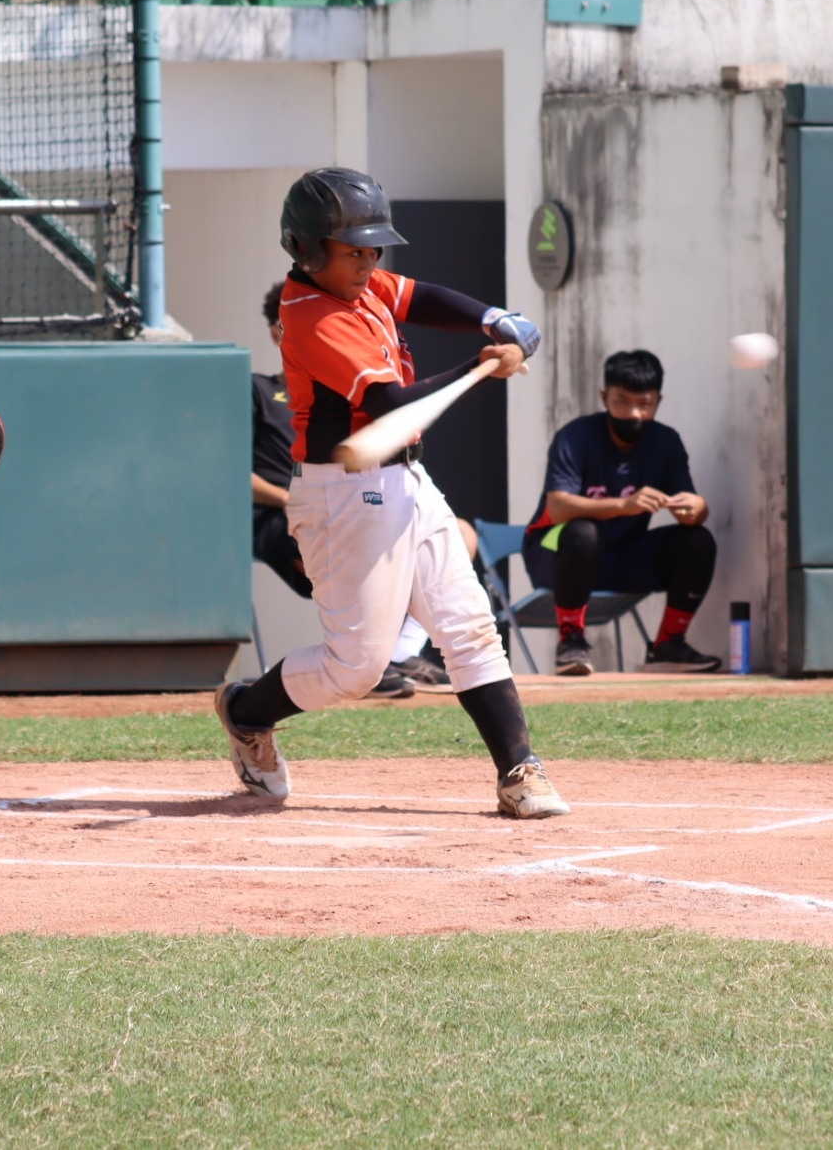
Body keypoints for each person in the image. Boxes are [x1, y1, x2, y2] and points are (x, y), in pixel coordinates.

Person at [215, 168, 568, 820]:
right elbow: (389, 402)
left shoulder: (359, 279)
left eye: (374, 248)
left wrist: (492, 318)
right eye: (354, 250)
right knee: (357, 666)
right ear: (307, 249)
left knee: (468, 626)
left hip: (407, 478)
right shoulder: (312, 315)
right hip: (342, 496)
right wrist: (484, 363)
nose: (368, 262)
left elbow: (420, 296)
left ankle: (519, 770)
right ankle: (244, 710)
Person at [250, 284, 448, 696]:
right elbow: (230, 472)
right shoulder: (258, 390)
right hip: (278, 513)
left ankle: (398, 652)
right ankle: (367, 662)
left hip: (352, 502)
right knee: (360, 566)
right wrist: (286, 498)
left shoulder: (348, 393)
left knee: (459, 535)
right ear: (277, 333)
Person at [523, 349, 720, 676]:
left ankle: (668, 646)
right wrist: (623, 505)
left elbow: (692, 509)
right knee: (583, 531)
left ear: (659, 400)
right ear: (604, 397)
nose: (633, 413)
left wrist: (696, 509)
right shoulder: (576, 436)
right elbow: (557, 507)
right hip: (555, 553)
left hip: (620, 557)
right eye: (622, 401)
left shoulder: (666, 442)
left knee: (697, 541)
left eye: (644, 403)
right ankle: (570, 641)